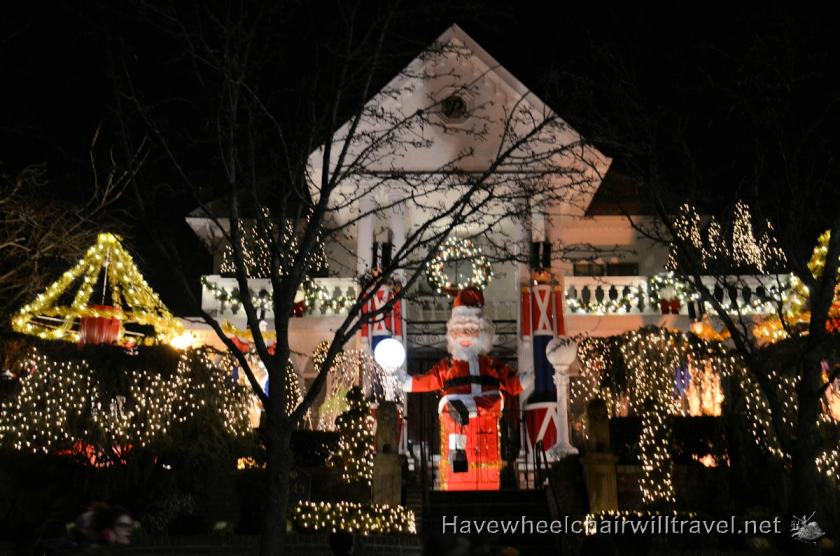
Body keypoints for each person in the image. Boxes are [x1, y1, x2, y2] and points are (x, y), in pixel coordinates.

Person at [401, 287, 532, 490]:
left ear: (483, 331)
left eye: (470, 329)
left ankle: (466, 419)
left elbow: (512, 384)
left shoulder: (490, 364)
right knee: (456, 436)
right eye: (459, 329)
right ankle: (458, 461)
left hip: (486, 415)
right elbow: (427, 381)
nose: (464, 334)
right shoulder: (449, 366)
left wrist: (534, 375)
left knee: (483, 450)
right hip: (458, 415)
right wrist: (402, 380)